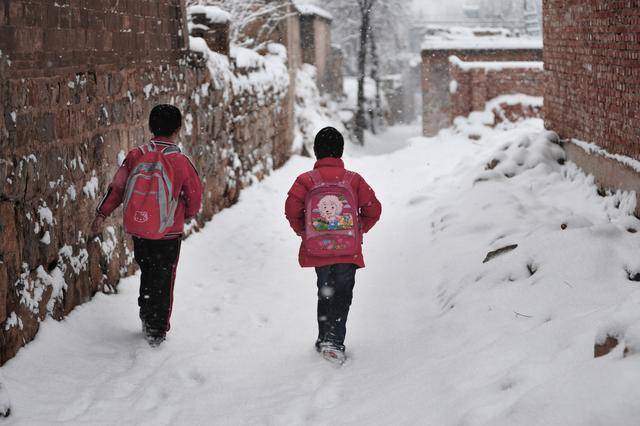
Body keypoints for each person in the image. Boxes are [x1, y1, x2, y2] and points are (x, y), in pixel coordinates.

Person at [91, 104, 203, 347]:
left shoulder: (136, 155)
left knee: (148, 270)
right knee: (164, 277)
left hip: (140, 229)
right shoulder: (181, 161)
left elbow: (118, 188)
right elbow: (194, 196)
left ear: (151, 127)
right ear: (177, 130)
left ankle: (146, 311)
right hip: (168, 231)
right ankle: (157, 328)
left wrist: (102, 213)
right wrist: (187, 214)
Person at [285, 127, 382, 363]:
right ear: (340, 152)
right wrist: (358, 231)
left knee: (325, 292)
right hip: (347, 251)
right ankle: (334, 341)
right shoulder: (353, 180)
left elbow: (291, 210)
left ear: (316, 152)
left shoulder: (306, 180)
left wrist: (305, 232)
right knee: (342, 294)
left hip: (319, 250)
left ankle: (323, 337)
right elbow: (374, 210)